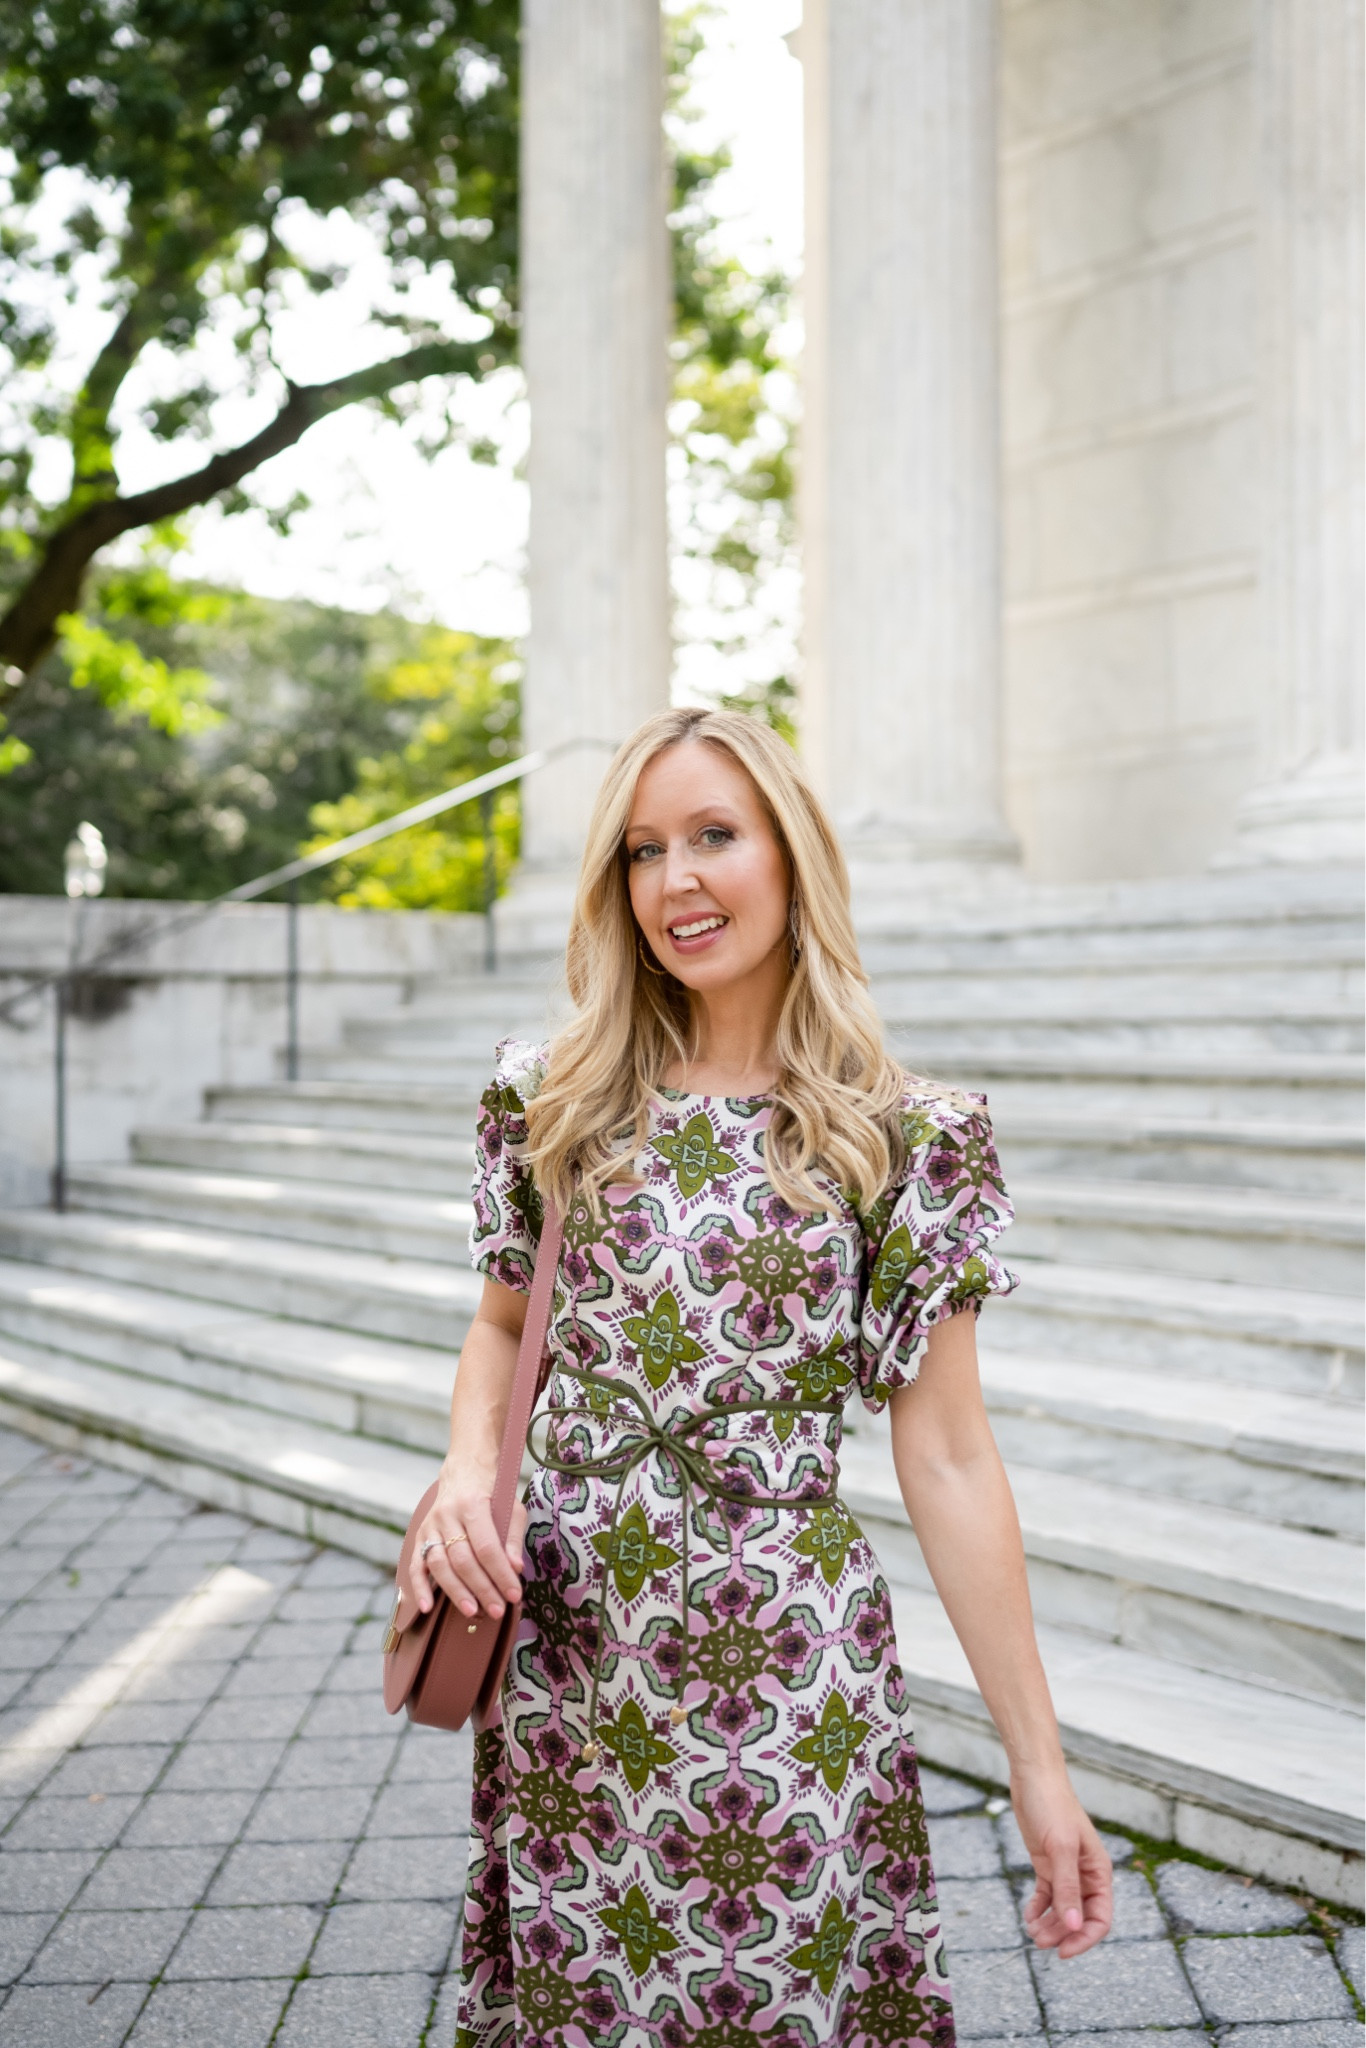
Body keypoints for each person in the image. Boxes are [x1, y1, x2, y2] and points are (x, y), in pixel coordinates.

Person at [411, 706, 1112, 2046]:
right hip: (570, 1659)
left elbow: (951, 1454)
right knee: (582, 2003)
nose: (675, 880)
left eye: (714, 837)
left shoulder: (908, 1136)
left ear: (791, 858)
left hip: (781, 1678)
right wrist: (461, 1470)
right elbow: (506, 1331)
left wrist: (1039, 1772)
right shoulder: (547, 1096)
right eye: (640, 849)